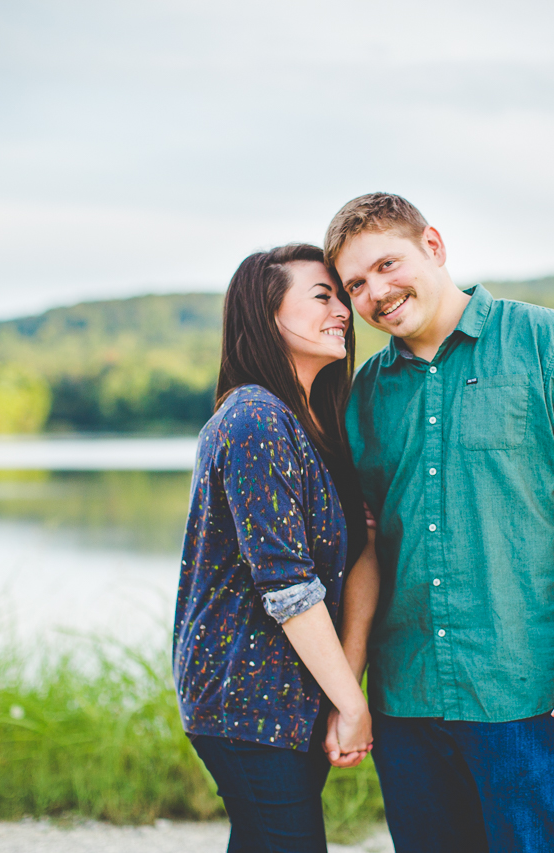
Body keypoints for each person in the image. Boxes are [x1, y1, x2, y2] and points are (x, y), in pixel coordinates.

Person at [326, 194, 554, 853]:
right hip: (407, 700)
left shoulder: (544, 340)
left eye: (388, 265)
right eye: (356, 284)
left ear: (434, 247)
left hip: (526, 695)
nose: (376, 293)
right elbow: (366, 548)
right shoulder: (366, 393)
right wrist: (348, 685)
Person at [172, 243, 380, 853]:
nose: (343, 308)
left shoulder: (315, 423)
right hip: (246, 702)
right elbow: (288, 590)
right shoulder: (255, 420)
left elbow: (359, 555)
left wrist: (347, 686)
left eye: (341, 296)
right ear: (266, 315)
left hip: (290, 699)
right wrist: (353, 703)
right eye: (323, 295)